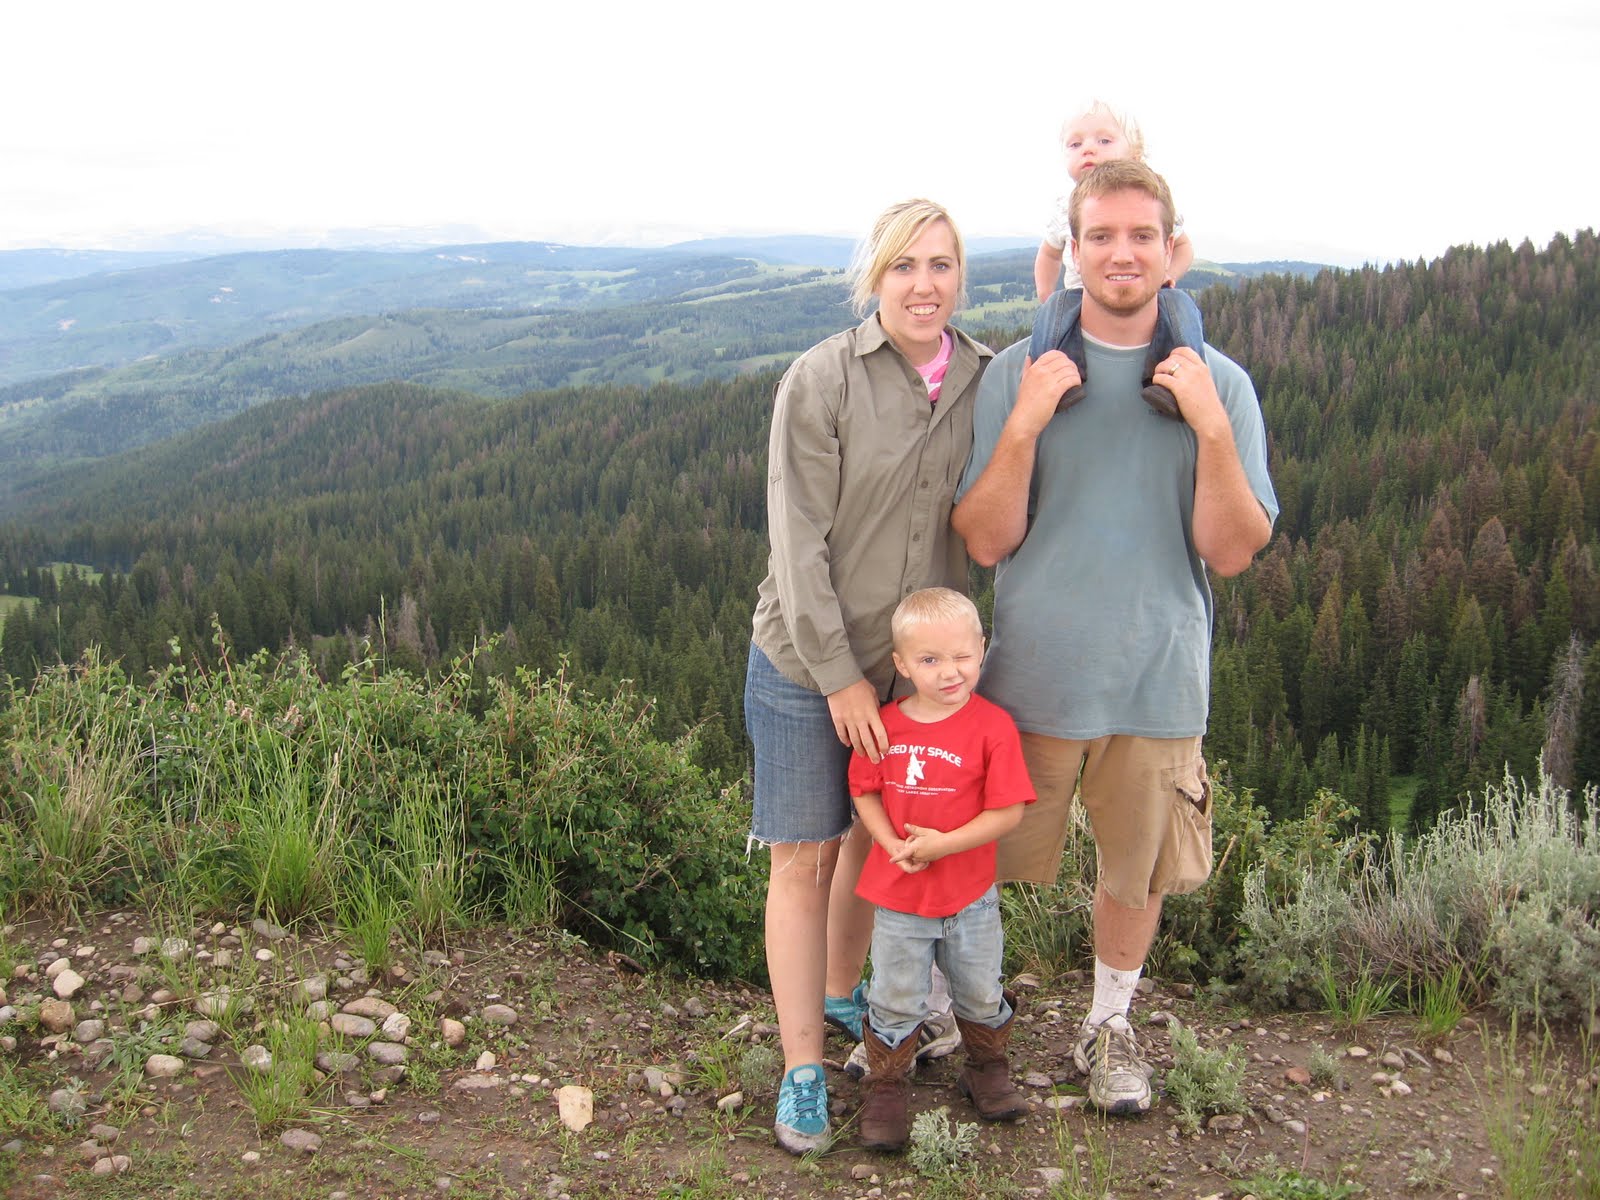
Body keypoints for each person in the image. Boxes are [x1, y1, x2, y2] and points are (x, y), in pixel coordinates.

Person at [953, 158, 1277, 1118]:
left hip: (1156, 680)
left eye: (1142, 236)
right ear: (1075, 248)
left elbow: (1232, 551)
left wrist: (1212, 430)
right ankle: (949, 1016)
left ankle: (1109, 1025)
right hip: (1031, 677)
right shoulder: (1018, 372)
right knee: (974, 862)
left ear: (1172, 251)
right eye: (1101, 235)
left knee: (1136, 875)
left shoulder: (1220, 384)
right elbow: (984, 539)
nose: (1122, 254)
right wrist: (1024, 425)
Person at [745, 199, 993, 1154]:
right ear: (875, 278)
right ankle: (801, 1070)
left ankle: (844, 996)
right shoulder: (823, 378)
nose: (924, 285)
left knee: (872, 842)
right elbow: (796, 543)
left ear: (961, 276)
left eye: (941, 265)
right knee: (806, 856)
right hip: (806, 661)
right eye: (904, 266)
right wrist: (842, 679)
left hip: (915, 674)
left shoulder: (980, 377)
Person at [847, 588, 1034, 1150]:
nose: (949, 672)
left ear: (982, 650)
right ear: (901, 664)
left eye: (962, 656)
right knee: (895, 993)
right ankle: (886, 1086)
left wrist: (943, 845)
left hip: (970, 894)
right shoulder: (884, 725)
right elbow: (864, 790)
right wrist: (891, 843)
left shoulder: (993, 726)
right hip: (899, 894)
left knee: (979, 987)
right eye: (929, 660)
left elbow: (1008, 811)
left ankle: (986, 1067)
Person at [1031, 101, 1204, 418]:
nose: (1088, 149)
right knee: (1050, 317)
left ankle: (1179, 382)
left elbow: (1183, 247)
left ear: (1134, 151)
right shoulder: (1063, 206)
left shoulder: (1151, 196)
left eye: (1104, 140)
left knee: (1182, 308)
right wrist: (1047, 295)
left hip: (1150, 295)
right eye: (1075, 144)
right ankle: (1053, 384)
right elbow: (1048, 254)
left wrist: (1168, 275)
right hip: (1078, 296)